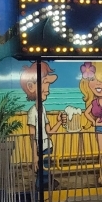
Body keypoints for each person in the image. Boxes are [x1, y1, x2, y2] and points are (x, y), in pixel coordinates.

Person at [21, 61, 63, 193]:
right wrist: (34, 155)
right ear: (31, 86)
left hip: (48, 146)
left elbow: (49, 131)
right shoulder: (32, 112)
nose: (48, 90)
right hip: (40, 147)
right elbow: (32, 136)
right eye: (45, 83)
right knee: (42, 171)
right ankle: (41, 191)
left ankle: (47, 187)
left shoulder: (43, 109)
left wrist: (59, 122)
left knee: (46, 169)